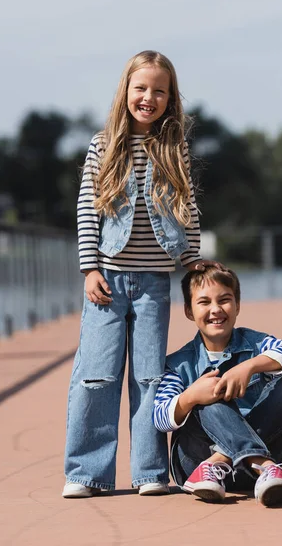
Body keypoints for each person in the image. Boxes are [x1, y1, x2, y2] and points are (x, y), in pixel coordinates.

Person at [63, 50, 215, 498]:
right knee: (97, 375)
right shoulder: (104, 143)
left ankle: (149, 473)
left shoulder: (174, 147)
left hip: (153, 282)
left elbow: (187, 208)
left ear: (171, 99)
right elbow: (88, 208)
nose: (149, 97)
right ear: (126, 91)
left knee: (150, 376)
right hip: (108, 279)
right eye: (141, 88)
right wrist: (89, 267)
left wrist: (192, 262)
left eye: (159, 91)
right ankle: (86, 473)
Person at [153, 265, 282, 505]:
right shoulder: (177, 364)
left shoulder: (254, 343)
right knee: (206, 395)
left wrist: (249, 367)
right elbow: (160, 417)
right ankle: (262, 465)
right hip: (197, 469)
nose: (216, 309)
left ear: (237, 305)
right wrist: (190, 397)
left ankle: (223, 460)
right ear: (188, 311)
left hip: (249, 475)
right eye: (204, 302)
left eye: (224, 300)